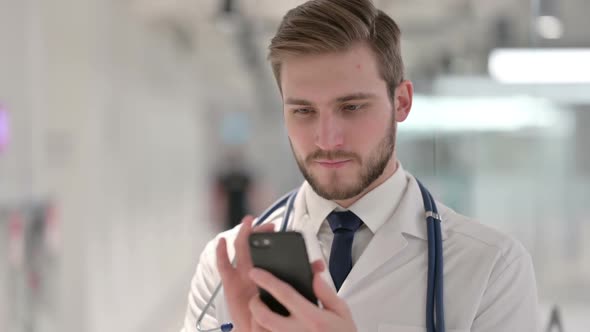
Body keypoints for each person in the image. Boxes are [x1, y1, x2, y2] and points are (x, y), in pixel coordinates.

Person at [181, 0, 540, 331]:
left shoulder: (491, 267)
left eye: (352, 107)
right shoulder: (225, 268)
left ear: (401, 102)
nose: (327, 139)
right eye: (303, 111)